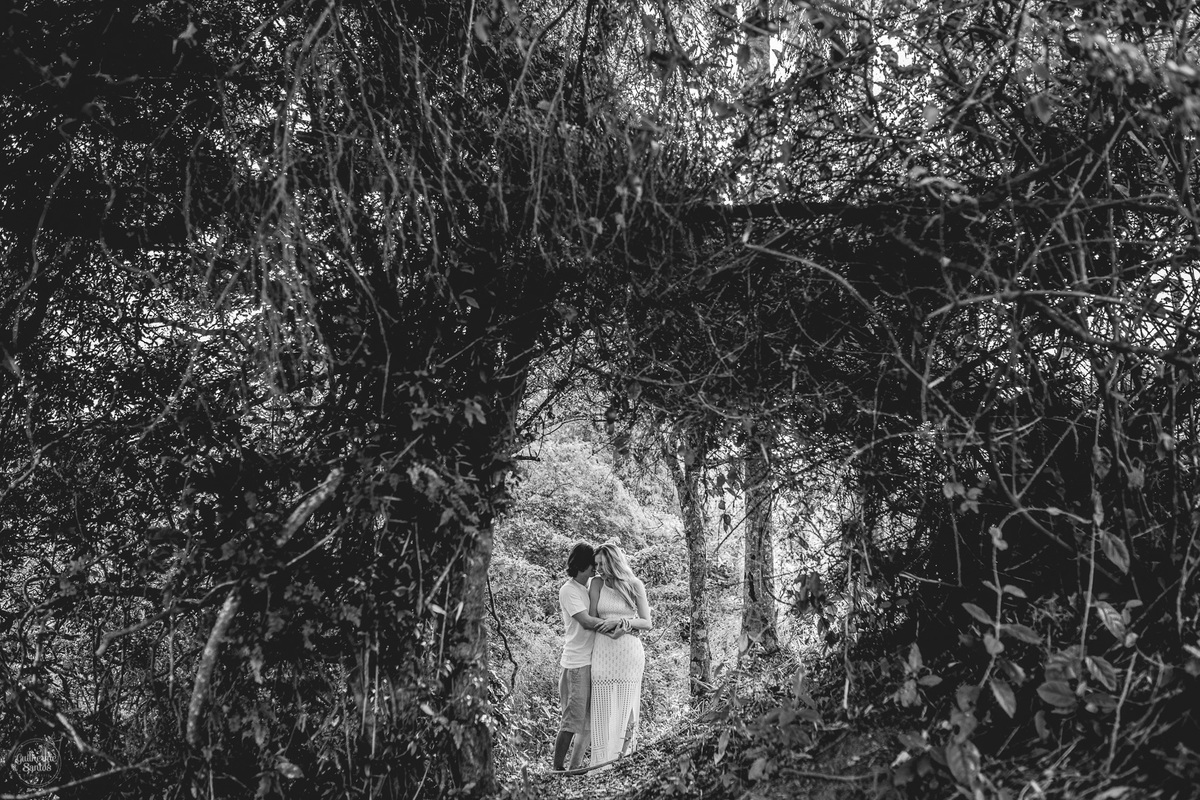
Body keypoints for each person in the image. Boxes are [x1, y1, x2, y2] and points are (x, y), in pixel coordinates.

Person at [553, 542, 617, 771]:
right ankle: (557, 768)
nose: (596, 569)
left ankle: (574, 768)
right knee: (572, 720)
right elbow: (587, 622)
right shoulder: (569, 590)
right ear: (582, 565)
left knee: (588, 722)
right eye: (593, 564)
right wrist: (618, 625)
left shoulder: (588, 586)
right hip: (577, 663)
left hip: (592, 662)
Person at [588, 540, 651, 766]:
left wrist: (621, 622)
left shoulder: (634, 584)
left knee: (628, 706)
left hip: (628, 652)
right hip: (603, 650)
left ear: (613, 562)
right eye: (596, 565)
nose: (599, 570)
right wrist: (611, 628)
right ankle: (601, 760)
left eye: (602, 564)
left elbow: (646, 622)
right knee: (603, 705)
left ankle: (623, 759)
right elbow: (592, 618)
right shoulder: (596, 584)